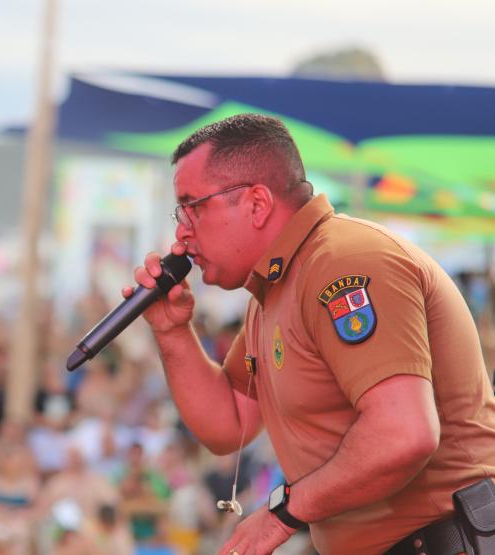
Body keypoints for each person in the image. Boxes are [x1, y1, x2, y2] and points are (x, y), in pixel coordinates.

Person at [128, 113, 495, 554]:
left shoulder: (342, 262)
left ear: (257, 204)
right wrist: (172, 332)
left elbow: (405, 433)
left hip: (445, 541)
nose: (181, 233)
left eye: (192, 206)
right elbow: (229, 423)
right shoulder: (275, 291)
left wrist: (284, 513)